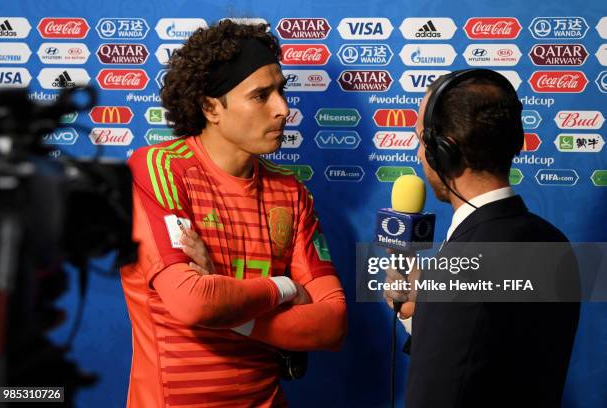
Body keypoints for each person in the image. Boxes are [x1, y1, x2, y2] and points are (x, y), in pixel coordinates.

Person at [120, 20, 347, 408]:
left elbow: (331, 324)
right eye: (261, 96)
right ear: (211, 107)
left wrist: (228, 306)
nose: (283, 109)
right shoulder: (159, 170)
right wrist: (285, 288)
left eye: (282, 91)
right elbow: (192, 302)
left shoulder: (290, 192)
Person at [384, 69, 580, 407]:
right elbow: (487, 356)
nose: (418, 154)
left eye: (420, 139)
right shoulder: (554, 242)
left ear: (444, 150)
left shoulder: (457, 270)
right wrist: (421, 310)